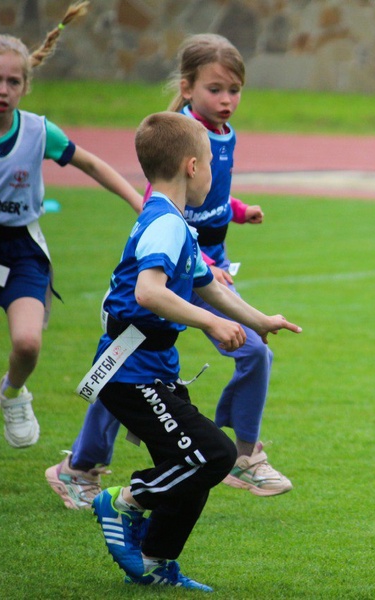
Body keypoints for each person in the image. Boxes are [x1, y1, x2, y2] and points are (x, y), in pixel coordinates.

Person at [47, 33, 291, 508]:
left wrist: (237, 211)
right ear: (187, 87)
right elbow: (170, 203)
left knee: (245, 352)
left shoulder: (222, 135)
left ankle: (242, 455)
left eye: (234, 90)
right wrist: (201, 266)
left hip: (206, 266)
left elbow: (210, 199)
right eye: (215, 89)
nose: (226, 100)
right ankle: (82, 466)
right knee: (127, 369)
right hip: (180, 268)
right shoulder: (177, 134)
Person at [88, 111, 301, 590]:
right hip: (130, 371)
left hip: (152, 367)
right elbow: (148, 292)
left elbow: (208, 286)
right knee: (212, 456)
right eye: (209, 162)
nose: (214, 173)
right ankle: (123, 500)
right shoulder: (164, 223)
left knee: (192, 464)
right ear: (191, 166)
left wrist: (258, 320)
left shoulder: (177, 223)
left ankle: (155, 562)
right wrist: (212, 323)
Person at [0, 1, 142, 450]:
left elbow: (90, 164)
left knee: (28, 344)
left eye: (13, 81)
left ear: (25, 86)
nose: (3, 89)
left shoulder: (36, 132)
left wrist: (138, 201)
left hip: (20, 251)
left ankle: (13, 393)